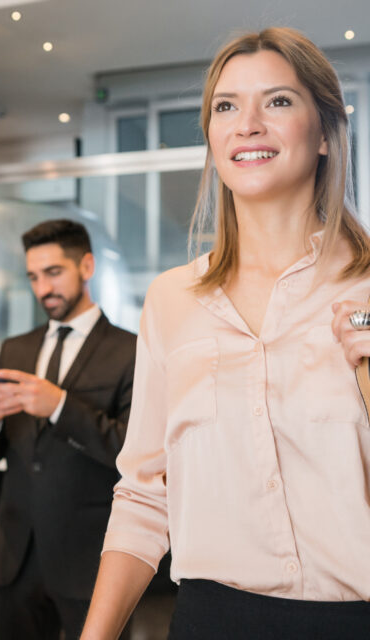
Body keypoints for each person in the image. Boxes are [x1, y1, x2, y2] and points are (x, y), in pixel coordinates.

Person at [81, 27, 370, 640]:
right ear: (212, 138)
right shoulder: (171, 302)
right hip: (212, 621)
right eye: (226, 106)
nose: (248, 124)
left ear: (323, 133)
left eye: (279, 101)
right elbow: (142, 497)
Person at [0, 219, 136, 640]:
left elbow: (132, 452)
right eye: (33, 277)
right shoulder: (16, 348)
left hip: (92, 558)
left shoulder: (132, 350)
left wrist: (60, 406)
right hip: (17, 556)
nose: (43, 288)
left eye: (54, 273)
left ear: (87, 266)